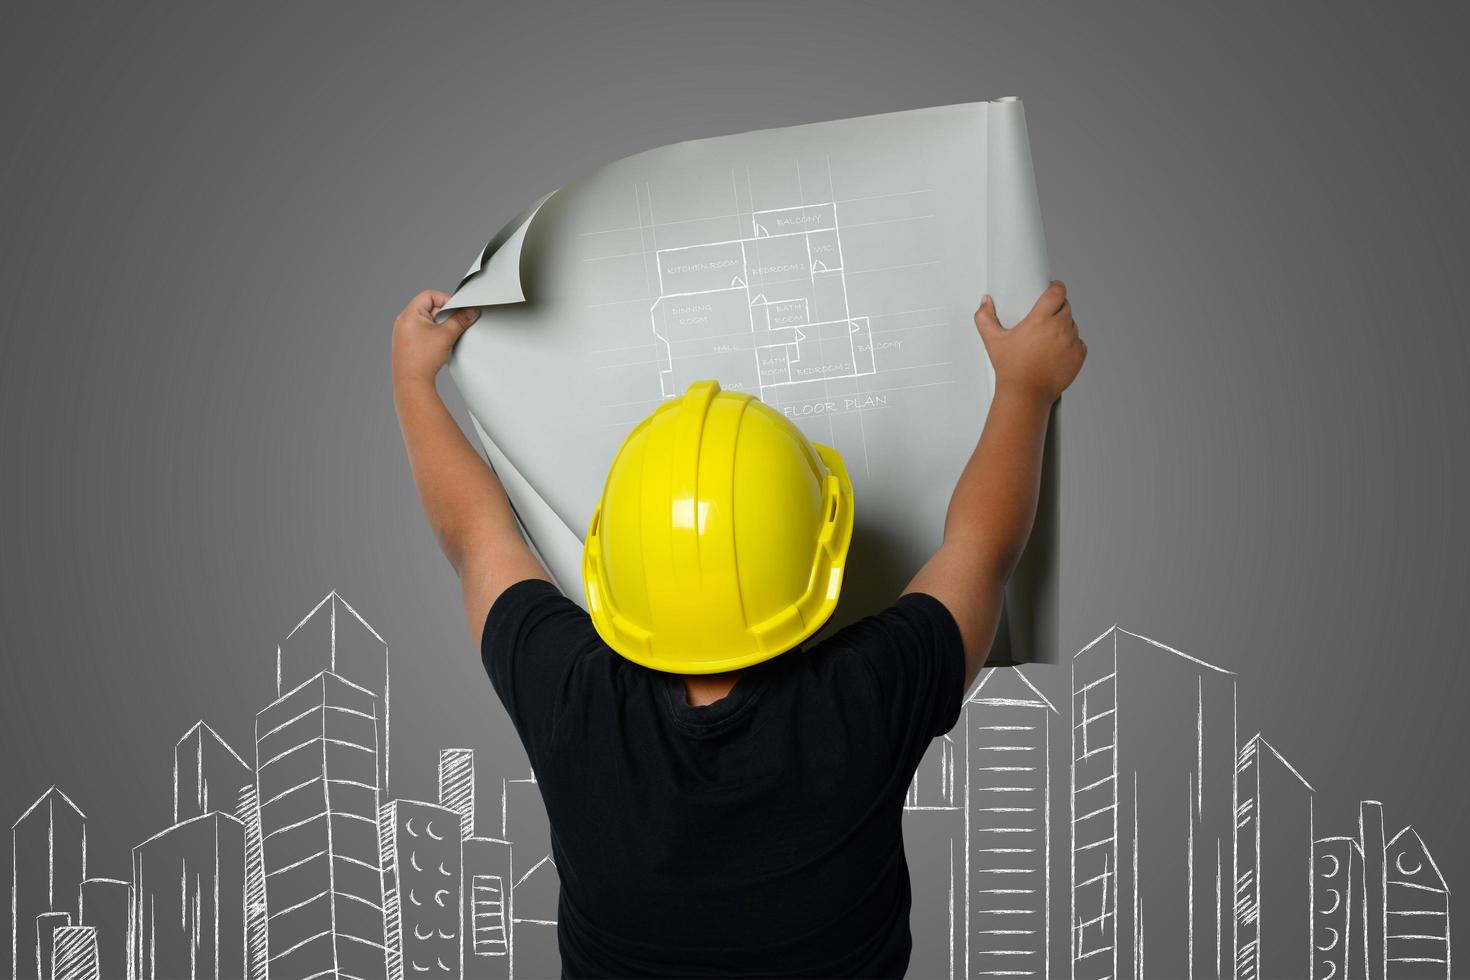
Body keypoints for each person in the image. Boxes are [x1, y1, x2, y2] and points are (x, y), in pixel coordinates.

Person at [392, 281, 1085, 978]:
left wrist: (414, 377)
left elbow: (477, 535)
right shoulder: (866, 699)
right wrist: (1025, 391)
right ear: (823, 554)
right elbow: (979, 549)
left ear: (607, 561)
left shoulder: (569, 696)